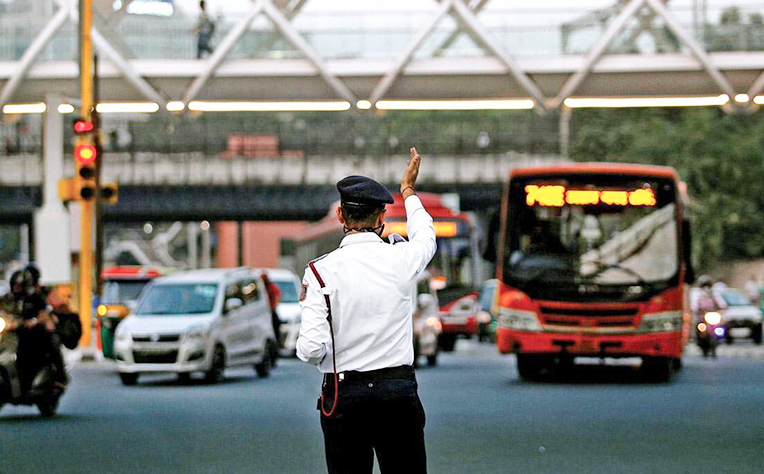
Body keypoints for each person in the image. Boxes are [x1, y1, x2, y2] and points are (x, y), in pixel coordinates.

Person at [297, 147, 436, 474]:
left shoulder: (319, 272)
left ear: (341, 216)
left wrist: (332, 358)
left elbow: (310, 348)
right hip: (397, 394)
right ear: (382, 218)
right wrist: (408, 190)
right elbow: (426, 235)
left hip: (344, 397)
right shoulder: (401, 259)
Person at [261, 271, 282, 347]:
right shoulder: (262, 288)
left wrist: (274, 306)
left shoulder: (270, 287)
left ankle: (277, 342)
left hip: (271, 311)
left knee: (275, 326)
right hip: (265, 311)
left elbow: (278, 296)